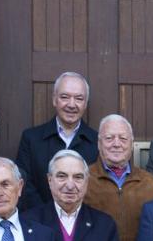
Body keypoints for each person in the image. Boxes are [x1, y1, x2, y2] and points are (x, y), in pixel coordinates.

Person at [15, 72, 99, 209]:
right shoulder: (31, 139)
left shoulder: (97, 142)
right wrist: (47, 217)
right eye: (65, 97)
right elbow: (24, 184)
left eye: (79, 98)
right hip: (39, 222)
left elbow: (97, 189)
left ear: (85, 104)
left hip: (84, 224)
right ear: (54, 100)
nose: (71, 105)